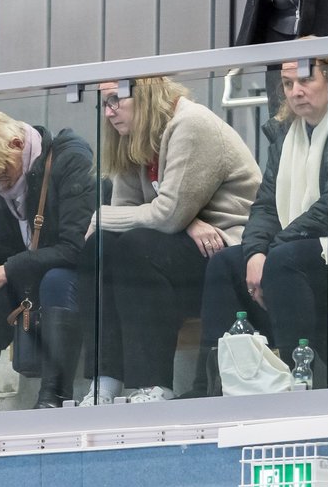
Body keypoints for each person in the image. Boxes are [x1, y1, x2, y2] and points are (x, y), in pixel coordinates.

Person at [197, 56, 328, 390]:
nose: (296, 92)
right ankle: (214, 384)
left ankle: (305, 381)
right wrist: (254, 254)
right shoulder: (287, 133)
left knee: (283, 260)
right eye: (288, 83)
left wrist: (274, 249)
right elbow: (265, 205)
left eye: (306, 81)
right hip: (301, 244)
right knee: (225, 264)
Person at [78, 77, 261, 405]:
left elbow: (166, 215)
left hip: (226, 252)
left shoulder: (191, 124)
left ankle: (154, 384)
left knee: (134, 249)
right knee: (100, 247)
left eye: (116, 100)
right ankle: (104, 380)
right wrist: (182, 221)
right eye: (104, 103)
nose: (109, 112)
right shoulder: (135, 135)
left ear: (145, 95)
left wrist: (100, 215)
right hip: (177, 244)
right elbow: (132, 215)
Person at [0, 112, 94, 413]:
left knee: (56, 279)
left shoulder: (70, 157)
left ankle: (53, 398)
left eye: (3, 175)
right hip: (33, 280)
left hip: (80, 279)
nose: (1, 186)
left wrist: (5, 270)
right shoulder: (2, 178)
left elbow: (76, 249)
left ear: (17, 144)